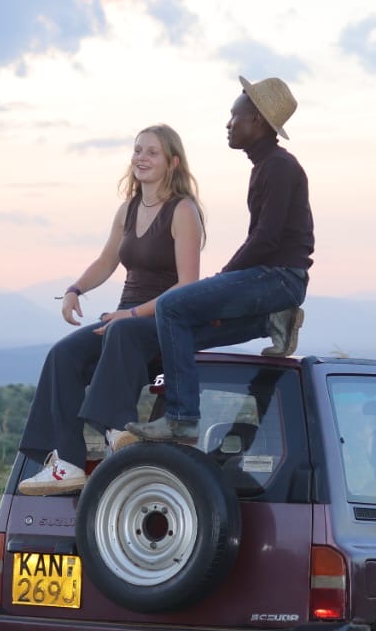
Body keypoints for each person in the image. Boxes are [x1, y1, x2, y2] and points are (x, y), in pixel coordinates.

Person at [16, 124, 205, 495]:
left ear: (173, 162)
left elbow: (188, 288)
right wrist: (75, 289)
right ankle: (67, 463)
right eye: (137, 151)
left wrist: (132, 316)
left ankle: (119, 429)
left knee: (119, 330)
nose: (141, 158)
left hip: (163, 322)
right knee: (64, 354)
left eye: (152, 152)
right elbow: (106, 261)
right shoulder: (129, 209)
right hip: (124, 321)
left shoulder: (183, 211)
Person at [127, 76, 313, 444]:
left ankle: (182, 419)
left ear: (257, 121)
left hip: (279, 278)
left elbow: (265, 239)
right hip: (272, 280)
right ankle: (270, 319)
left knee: (172, 306)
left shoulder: (277, 167)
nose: (228, 124)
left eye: (235, 117)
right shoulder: (266, 166)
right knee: (185, 330)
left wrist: (222, 279)